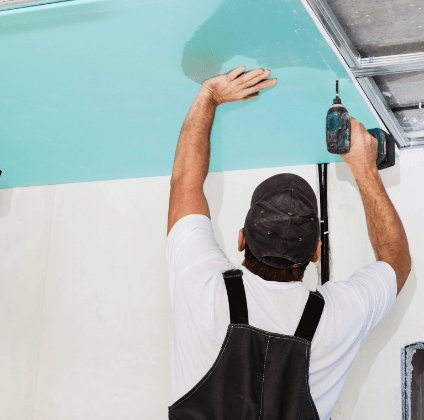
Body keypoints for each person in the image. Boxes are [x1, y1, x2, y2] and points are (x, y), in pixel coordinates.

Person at [165, 67, 410, 419]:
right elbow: (395, 262)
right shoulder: (332, 320)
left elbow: (184, 183)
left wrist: (210, 97)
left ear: (240, 240)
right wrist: (366, 170)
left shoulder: (202, 290)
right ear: (315, 253)